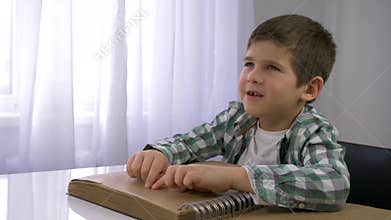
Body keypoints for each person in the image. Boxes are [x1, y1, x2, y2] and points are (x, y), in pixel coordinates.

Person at [126, 14, 350, 211]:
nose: (253, 76)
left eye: (272, 67)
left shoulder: (313, 131)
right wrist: (161, 153)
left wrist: (236, 176)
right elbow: (188, 143)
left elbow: (335, 184)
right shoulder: (237, 119)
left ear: (309, 89)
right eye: (249, 64)